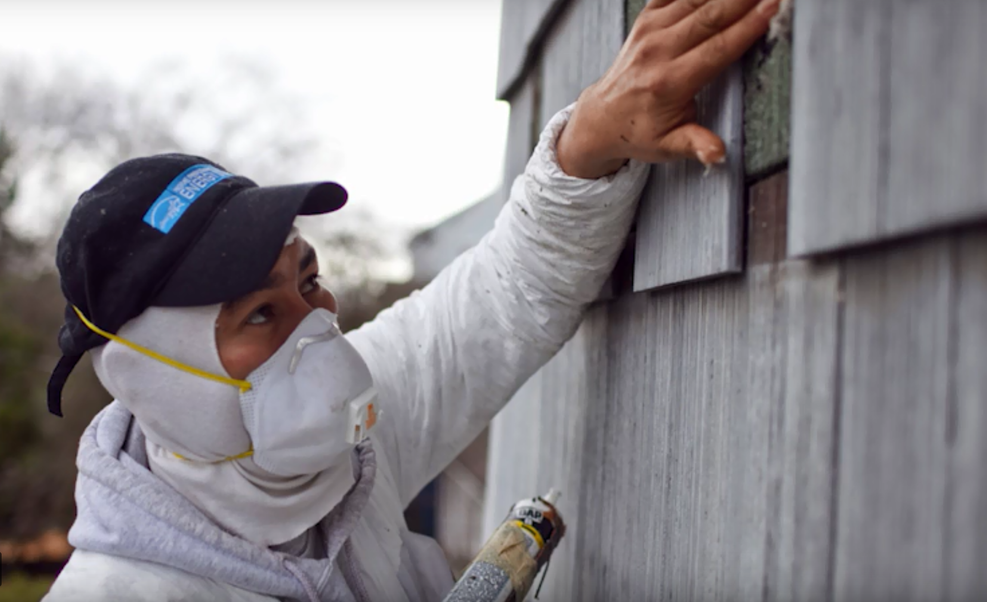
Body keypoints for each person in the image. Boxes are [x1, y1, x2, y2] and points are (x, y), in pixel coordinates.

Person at [42, 1, 780, 600]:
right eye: (259, 315)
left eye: (308, 279)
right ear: (157, 379)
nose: (319, 331)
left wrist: (588, 143)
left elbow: (503, 298)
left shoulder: (337, 451)